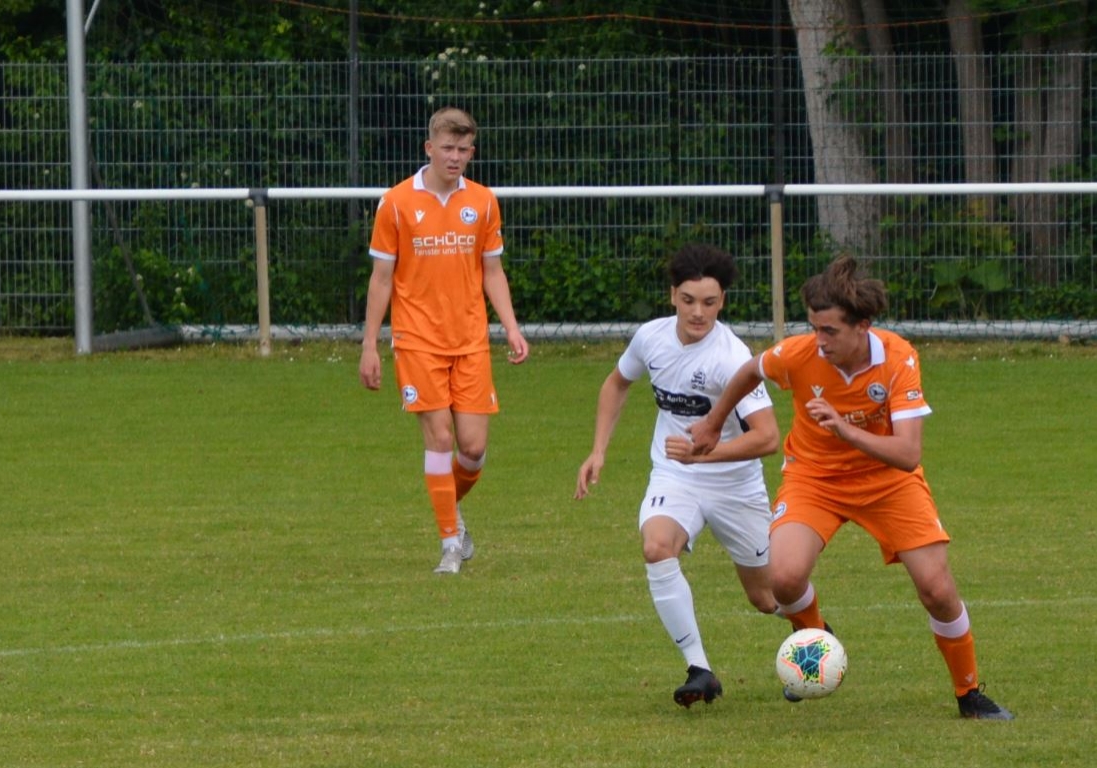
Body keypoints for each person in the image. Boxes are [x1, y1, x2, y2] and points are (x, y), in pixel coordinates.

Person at [688, 254, 1013, 720]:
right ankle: (816, 641)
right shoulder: (799, 354)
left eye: (830, 331)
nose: (819, 342)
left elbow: (908, 454)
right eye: (814, 328)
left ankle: (969, 693)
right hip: (814, 479)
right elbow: (750, 371)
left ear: (863, 326)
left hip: (888, 482)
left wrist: (845, 429)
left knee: (937, 589)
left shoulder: (898, 359)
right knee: (784, 579)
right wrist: (714, 423)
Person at [575, 243, 781, 707]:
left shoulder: (732, 358)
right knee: (656, 546)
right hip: (675, 475)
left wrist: (702, 456)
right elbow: (617, 383)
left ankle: (815, 633)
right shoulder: (651, 338)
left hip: (735, 484)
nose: (698, 313)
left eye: (709, 302)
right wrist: (598, 451)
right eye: (688, 300)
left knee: (767, 597)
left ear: (722, 301)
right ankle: (699, 669)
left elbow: (768, 437)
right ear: (672, 295)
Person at [359, 106, 530, 575]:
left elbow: (492, 271)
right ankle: (450, 544)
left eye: (464, 150)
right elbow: (381, 279)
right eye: (448, 148)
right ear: (429, 148)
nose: (455, 157)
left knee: (472, 449)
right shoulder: (396, 202)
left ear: (472, 152)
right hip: (416, 339)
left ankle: (448, 507)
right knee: (439, 438)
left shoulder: (484, 201)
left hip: (470, 339)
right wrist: (370, 344)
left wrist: (511, 326)